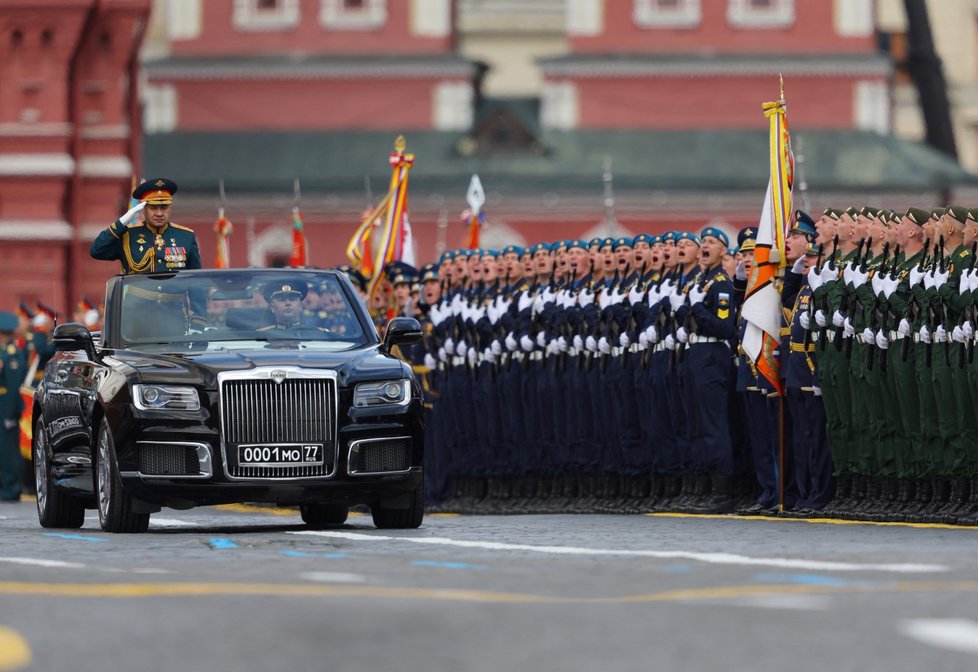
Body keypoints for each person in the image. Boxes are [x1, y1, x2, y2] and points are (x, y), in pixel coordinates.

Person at [90, 178, 202, 274]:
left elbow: (196, 281)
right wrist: (122, 222)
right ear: (143, 210)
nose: (159, 213)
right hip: (139, 300)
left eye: (164, 207)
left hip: (174, 299)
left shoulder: (186, 236)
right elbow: (97, 251)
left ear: (170, 208)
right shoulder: (127, 235)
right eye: (153, 208)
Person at [0, 312, 24, 501]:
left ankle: (11, 487)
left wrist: (10, 413)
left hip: (6, 407)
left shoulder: (11, 354)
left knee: (8, 450)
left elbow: (14, 385)